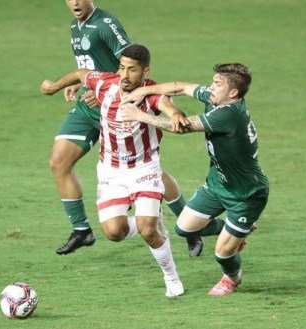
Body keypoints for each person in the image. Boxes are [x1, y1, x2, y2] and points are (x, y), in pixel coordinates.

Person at [51, 0, 203, 256]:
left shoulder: (105, 26)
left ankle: (189, 227)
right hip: (90, 106)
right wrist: (81, 83)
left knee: (148, 171)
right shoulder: (76, 26)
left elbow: (130, 63)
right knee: (58, 163)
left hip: (120, 106)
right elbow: (90, 65)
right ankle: (81, 230)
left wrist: (110, 90)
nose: (75, 2)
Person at [42, 44, 187, 297]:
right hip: (111, 171)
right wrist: (54, 86)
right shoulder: (104, 85)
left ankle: (171, 277)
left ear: (145, 72)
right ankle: (152, 220)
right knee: (113, 233)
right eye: (122, 68)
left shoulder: (151, 95)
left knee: (147, 230)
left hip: (145, 168)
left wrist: (176, 114)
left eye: (132, 70)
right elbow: (80, 73)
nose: (125, 75)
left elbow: (169, 106)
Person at [119, 63, 269, 295]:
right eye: (213, 81)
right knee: (183, 228)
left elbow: (182, 127)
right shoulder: (217, 98)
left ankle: (232, 278)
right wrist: (145, 91)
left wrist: (139, 115)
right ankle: (237, 230)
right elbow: (181, 87)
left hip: (246, 194)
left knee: (223, 253)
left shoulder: (229, 114)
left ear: (233, 93)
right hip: (218, 184)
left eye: (218, 85)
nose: (211, 87)